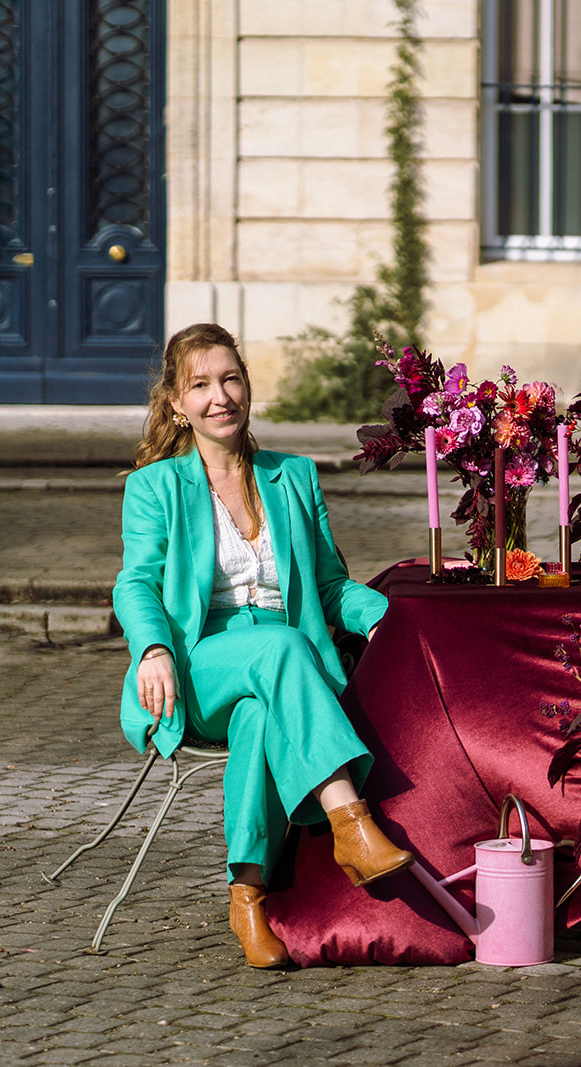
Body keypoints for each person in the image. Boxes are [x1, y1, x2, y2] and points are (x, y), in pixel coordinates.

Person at [112, 322, 413, 968]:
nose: (220, 397)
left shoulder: (292, 476)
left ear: (247, 386)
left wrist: (389, 619)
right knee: (279, 649)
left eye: (230, 379)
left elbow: (329, 586)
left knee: (259, 713)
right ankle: (350, 822)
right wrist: (153, 650)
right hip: (199, 668)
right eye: (200, 385)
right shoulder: (155, 486)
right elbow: (135, 582)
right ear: (177, 403)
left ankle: (246, 897)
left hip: (279, 676)